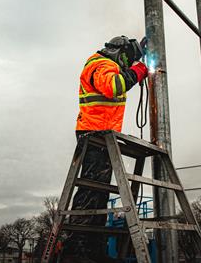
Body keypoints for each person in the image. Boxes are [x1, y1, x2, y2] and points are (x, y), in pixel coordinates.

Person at [63, 36, 148, 263]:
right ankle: (75, 250)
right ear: (119, 53)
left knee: (100, 194)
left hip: (102, 135)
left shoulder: (108, 64)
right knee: (90, 192)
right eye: (127, 60)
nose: (127, 65)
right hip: (93, 134)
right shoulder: (101, 64)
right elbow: (113, 86)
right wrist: (138, 71)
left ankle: (93, 251)